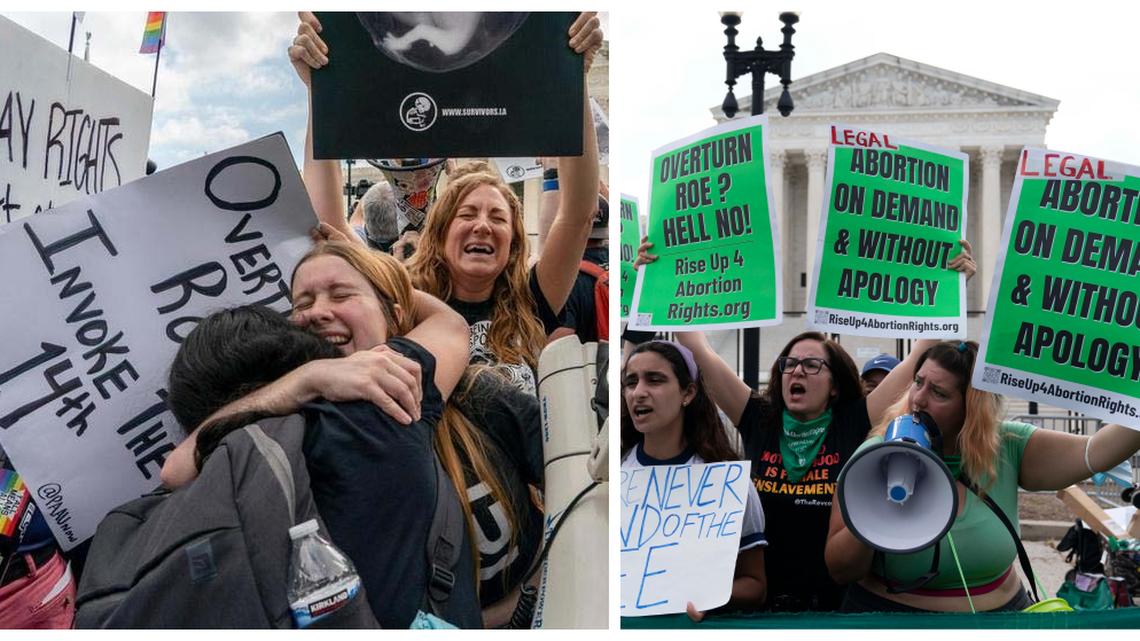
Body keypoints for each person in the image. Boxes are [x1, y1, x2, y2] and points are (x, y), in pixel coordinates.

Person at [161, 241, 544, 627]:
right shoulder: (293, 445)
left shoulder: (470, 394)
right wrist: (307, 378)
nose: (316, 313)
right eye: (301, 304)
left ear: (394, 319)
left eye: (342, 294)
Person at [631, 237, 977, 611]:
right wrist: (659, 275)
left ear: (833, 386)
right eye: (789, 364)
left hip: (836, 606)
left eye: (812, 365)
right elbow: (698, 350)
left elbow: (919, 355)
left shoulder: (853, 421)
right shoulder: (759, 419)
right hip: (761, 605)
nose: (796, 370)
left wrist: (952, 285)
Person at [289, 11, 604, 395]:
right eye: (467, 214)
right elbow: (332, 229)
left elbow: (578, 214)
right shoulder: (406, 296)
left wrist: (573, 82)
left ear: (514, 241)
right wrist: (320, 93)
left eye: (499, 218)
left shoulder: (533, 298)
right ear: (440, 231)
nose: (483, 225)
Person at [825, 340, 1140, 612]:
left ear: (971, 409)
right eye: (917, 382)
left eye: (938, 392)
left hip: (1003, 614)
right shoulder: (875, 454)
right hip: (891, 618)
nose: (918, 399)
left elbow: (1098, 452)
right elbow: (839, 570)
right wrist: (873, 509)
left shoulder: (1007, 447)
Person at [621, 340, 767, 621]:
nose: (638, 392)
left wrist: (704, 597)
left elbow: (755, 585)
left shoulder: (729, 484)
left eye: (655, 380)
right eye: (631, 382)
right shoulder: (609, 477)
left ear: (688, 392)